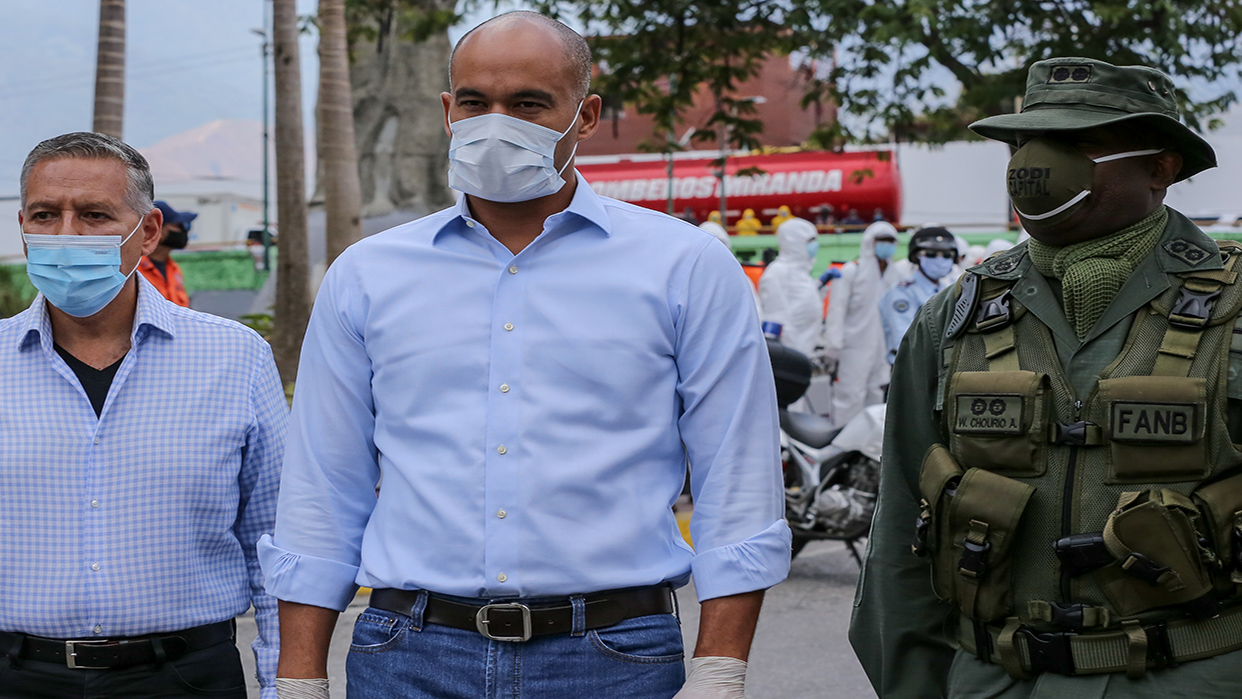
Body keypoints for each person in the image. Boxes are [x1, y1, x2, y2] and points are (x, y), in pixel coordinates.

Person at [260, 12, 789, 699]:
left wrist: (720, 670)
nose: (495, 122)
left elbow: (738, 480)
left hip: (614, 656)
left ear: (586, 114)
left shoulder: (684, 266)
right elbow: (322, 489)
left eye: (529, 104)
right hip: (408, 655)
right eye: (475, 103)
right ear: (448, 111)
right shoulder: (367, 275)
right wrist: (300, 677)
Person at [851, 57, 1242, 698]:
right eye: (1024, 142)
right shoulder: (956, 315)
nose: (1035, 163)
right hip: (995, 680)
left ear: (1161, 165)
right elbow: (899, 538)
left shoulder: (1234, 304)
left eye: (1077, 143)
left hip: (1194, 677)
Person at [0, 132, 285, 698]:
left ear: (148, 231)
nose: (66, 235)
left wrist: (287, 684)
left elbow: (274, 543)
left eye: (94, 215)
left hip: (183, 676)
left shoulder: (235, 357)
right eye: (45, 215)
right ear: (23, 226)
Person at [821, 221, 901, 427]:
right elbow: (836, 311)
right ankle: (841, 449)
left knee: (875, 399)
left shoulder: (896, 276)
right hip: (853, 348)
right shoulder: (851, 271)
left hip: (882, 350)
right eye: (882, 241)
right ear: (870, 242)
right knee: (849, 398)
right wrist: (833, 345)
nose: (887, 245)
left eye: (891, 241)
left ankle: (866, 452)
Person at [879, 227, 958, 365]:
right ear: (916, 257)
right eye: (931, 254)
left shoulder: (948, 290)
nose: (940, 260)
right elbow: (904, 340)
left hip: (943, 367)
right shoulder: (902, 292)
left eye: (947, 255)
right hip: (913, 368)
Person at [758, 217, 825, 357]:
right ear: (795, 243)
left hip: (804, 350)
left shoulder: (802, 272)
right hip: (789, 354)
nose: (815, 245)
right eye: (810, 241)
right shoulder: (778, 271)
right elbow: (775, 317)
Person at [137, 200, 196, 307]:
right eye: (179, 225)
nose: (184, 231)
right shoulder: (134, 268)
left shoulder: (174, 268)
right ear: (156, 229)